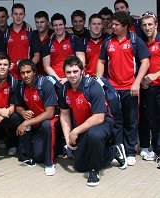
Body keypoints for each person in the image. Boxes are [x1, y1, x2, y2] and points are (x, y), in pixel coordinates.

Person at [59, 56, 127, 186]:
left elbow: (99, 117)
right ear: (65, 73)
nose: (72, 75)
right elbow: (64, 114)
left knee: (94, 134)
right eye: (68, 72)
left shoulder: (92, 86)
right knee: (80, 165)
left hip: (102, 122)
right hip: (83, 127)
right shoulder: (63, 89)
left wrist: (76, 130)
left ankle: (94, 170)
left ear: (82, 71)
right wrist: (68, 138)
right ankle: (114, 151)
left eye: (75, 71)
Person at [96, 11, 150, 166]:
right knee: (116, 122)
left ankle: (130, 152)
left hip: (130, 88)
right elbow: (101, 62)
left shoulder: (135, 41)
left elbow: (145, 62)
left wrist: (136, 82)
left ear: (125, 26)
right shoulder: (107, 42)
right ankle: (118, 151)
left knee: (131, 121)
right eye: (112, 24)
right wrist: (100, 82)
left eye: (116, 24)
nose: (112, 26)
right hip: (112, 89)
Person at [15, 59, 61, 176]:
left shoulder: (45, 84)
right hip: (36, 124)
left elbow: (50, 113)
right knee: (38, 156)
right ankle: (28, 151)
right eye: (22, 73)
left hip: (51, 122)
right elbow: (17, 106)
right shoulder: (20, 86)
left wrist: (26, 123)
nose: (25, 75)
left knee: (47, 124)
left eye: (28, 72)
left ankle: (49, 163)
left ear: (34, 72)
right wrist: (22, 112)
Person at [140, 11, 160, 164]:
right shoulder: (143, 44)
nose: (147, 27)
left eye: (150, 24)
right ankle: (157, 151)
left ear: (156, 25)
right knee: (152, 122)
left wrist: (155, 75)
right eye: (144, 25)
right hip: (148, 89)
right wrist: (142, 80)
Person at [42, 13, 85, 83]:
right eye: (55, 25)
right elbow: (46, 66)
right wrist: (58, 80)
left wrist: (68, 78)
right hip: (55, 81)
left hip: (73, 79)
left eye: (60, 24)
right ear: (52, 27)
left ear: (64, 25)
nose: (58, 27)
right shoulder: (48, 44)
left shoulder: (75, 40)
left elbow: (82, 63)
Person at [3, 3, 41, 79]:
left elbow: (37, 55)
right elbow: (0, 57)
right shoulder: (5, 34)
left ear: (24, 15)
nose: (18, 16)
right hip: (10, 76)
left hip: (26, 76)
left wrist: (28, 67)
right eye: (15, 14)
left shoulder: (31, 33)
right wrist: (6, 67)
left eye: (21, 14)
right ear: (11, 15)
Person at [33, 11, 53, 75]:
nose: (39, 25)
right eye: (37, 22)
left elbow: (62, 30)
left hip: (51, 74)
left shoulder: (54, 36)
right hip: (34, 74)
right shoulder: (31, 35)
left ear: (48, 23)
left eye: (42, 22)